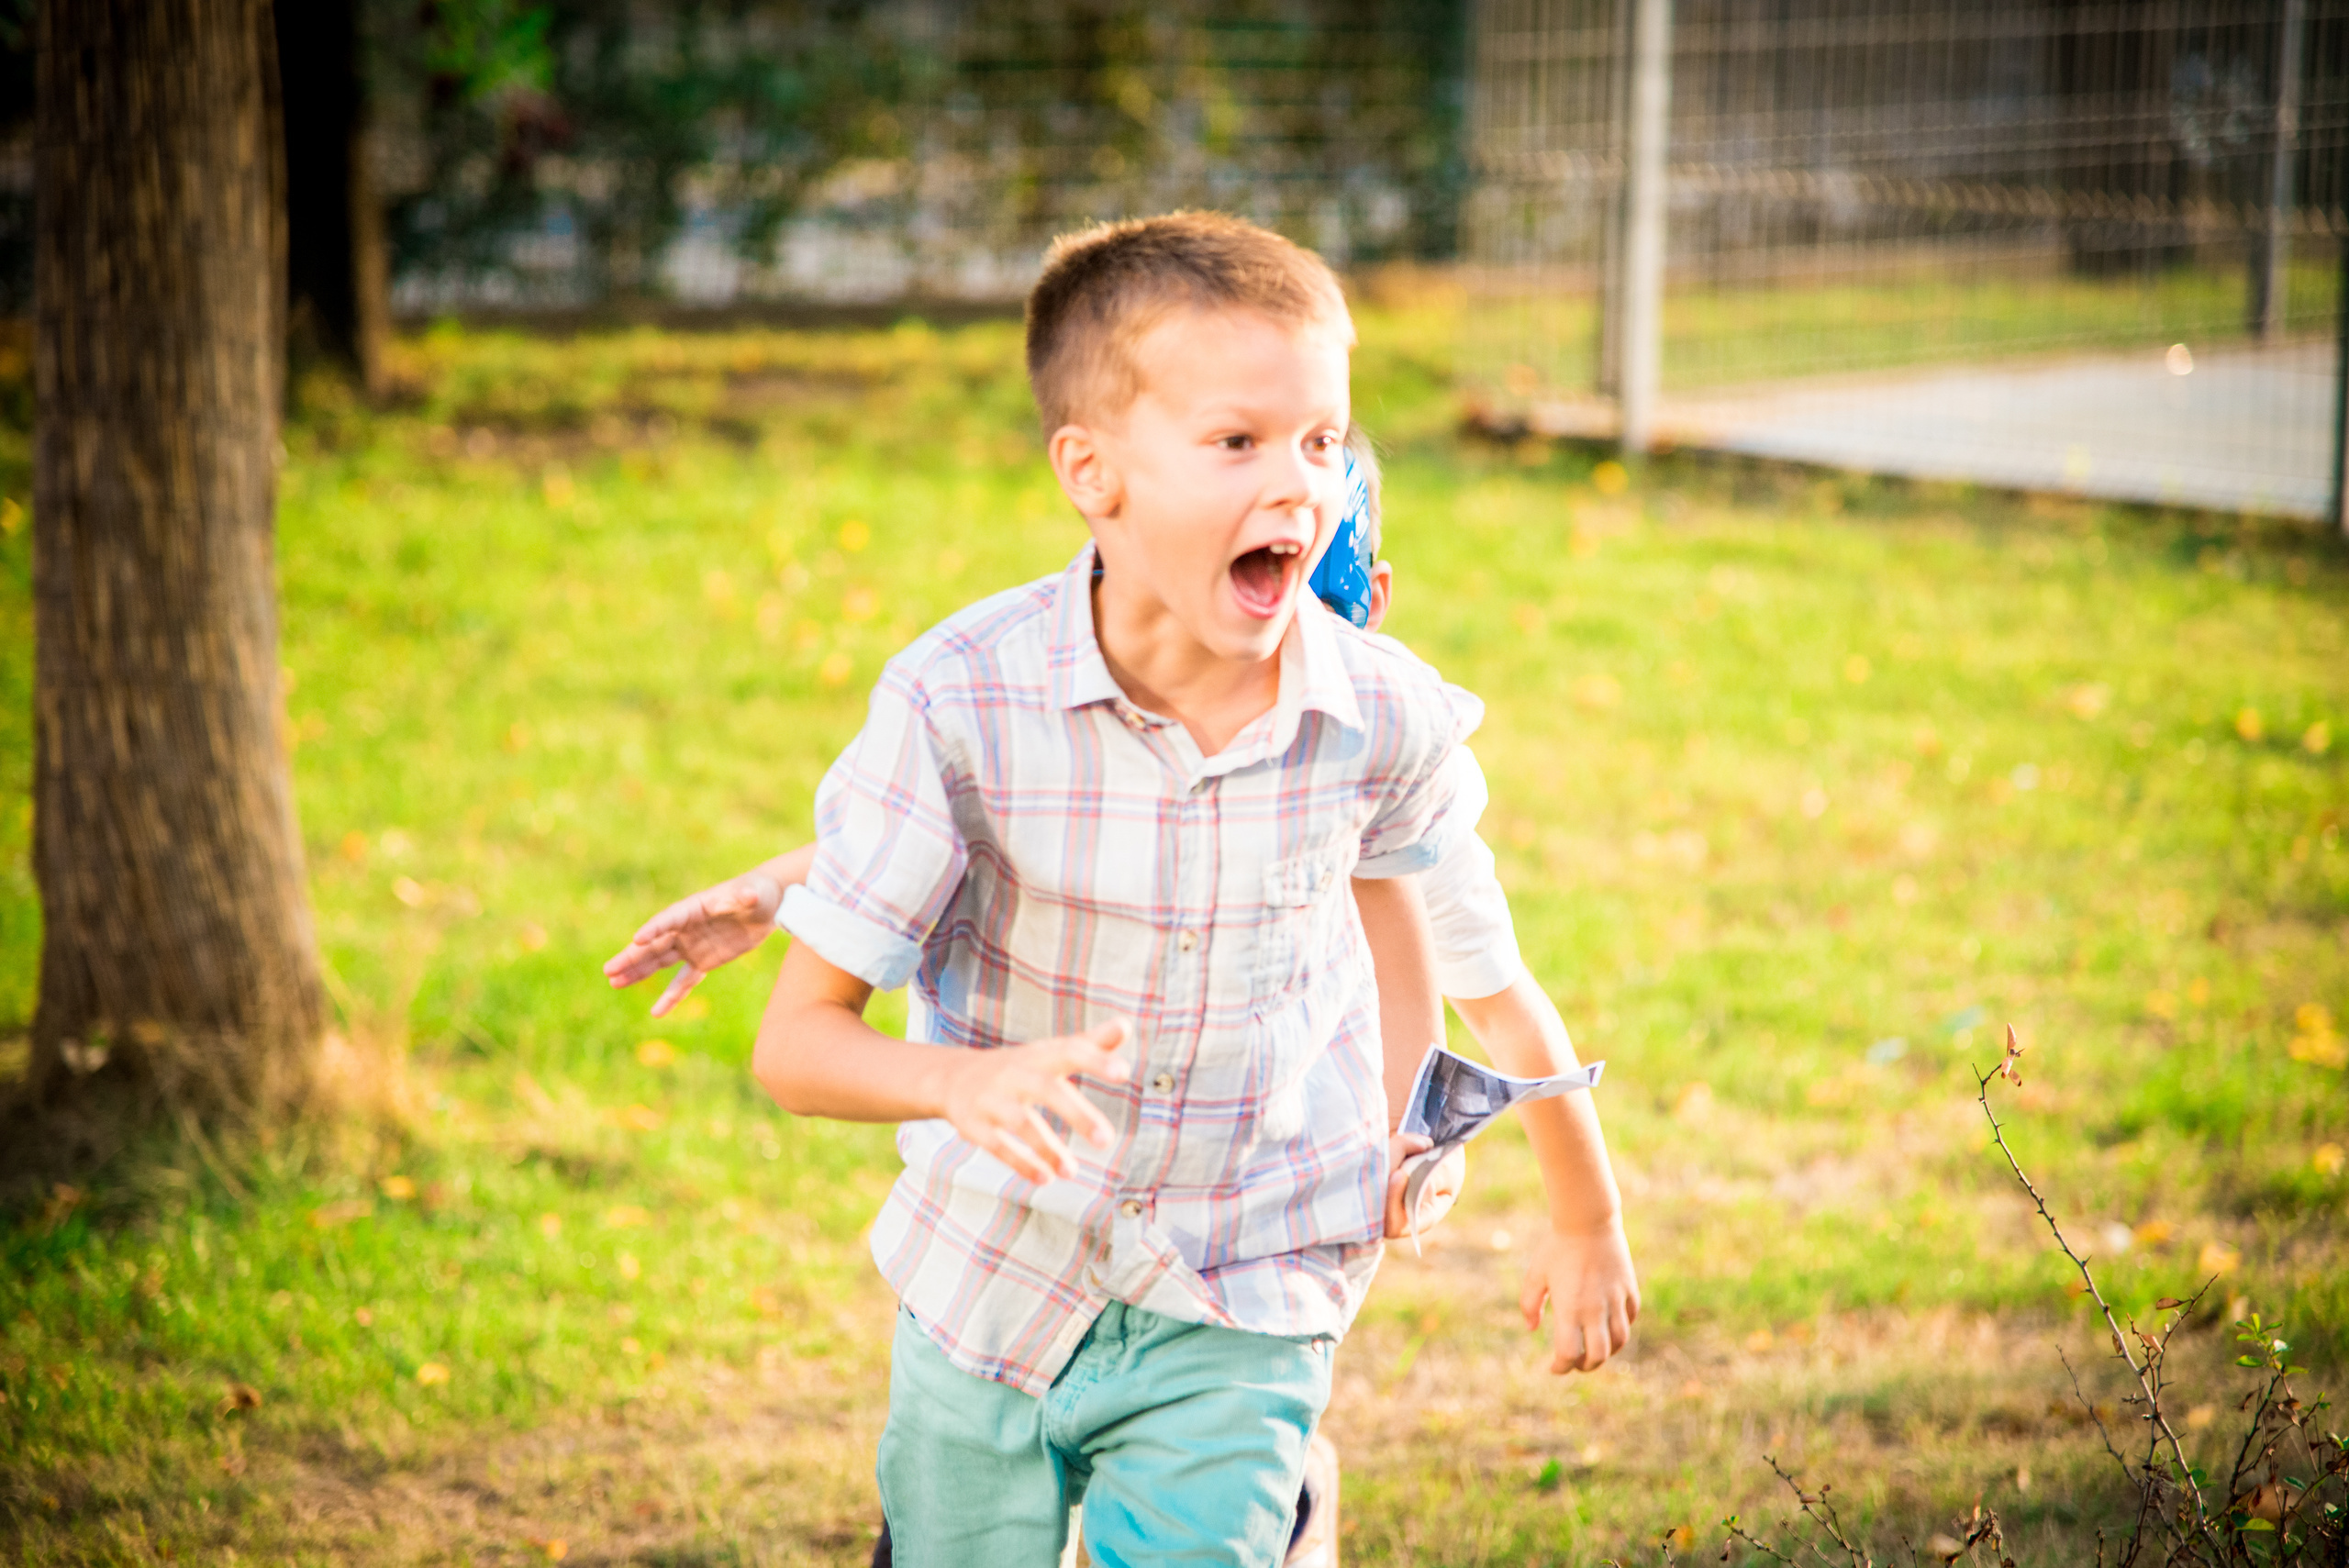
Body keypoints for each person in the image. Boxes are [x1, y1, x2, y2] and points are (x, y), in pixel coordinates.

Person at [603, 213, 1630, 1567]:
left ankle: (1281, 1501)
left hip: (1248, 1282)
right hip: (996, 1279)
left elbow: (1450, 960)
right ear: (1092, 473)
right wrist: (859, 958)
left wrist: (1571, 1207)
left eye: (1324, 444)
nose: (1300, 487)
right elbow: (1038, 832)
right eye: (1238, 442)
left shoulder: (1377, 723)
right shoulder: (962, 699)